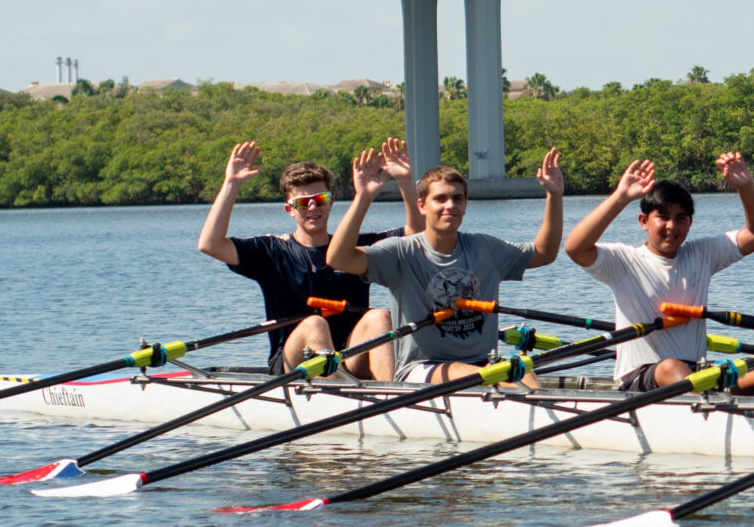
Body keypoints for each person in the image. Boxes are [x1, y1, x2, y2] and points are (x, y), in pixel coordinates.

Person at [328, 145, 566, 385]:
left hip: (482, 363)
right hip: (422, 368)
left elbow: (544, 253)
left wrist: (554, 196)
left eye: (457, 198)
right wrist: (363, 198)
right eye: (440, 199)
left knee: (524, 371)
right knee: (493, 377)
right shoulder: (400, 252)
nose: (450, 205)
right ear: (422, 206)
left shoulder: (485, 248)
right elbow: (338, 259)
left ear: (465, 205)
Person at [564, 151, 754, 397]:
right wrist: (620, 197)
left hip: (696, 372)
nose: (672, 226)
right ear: (643, 221)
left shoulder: (703, 253)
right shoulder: (623, 261)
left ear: (690, 223)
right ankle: (708, 418)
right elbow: (575, 247)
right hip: (641, 378)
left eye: (680, 218)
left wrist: (745, 187)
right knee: (671, 367)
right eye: (663, 217)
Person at [196, 139, 423, 380]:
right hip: (293, 362)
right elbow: (210, 245)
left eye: (320, 199)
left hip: (349, 357)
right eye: (303, 203)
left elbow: (416, 235)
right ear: (290, 210)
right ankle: (338, 393)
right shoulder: (272, 251)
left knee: (379, 317)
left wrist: (405, 182)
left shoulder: (353, 248)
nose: (313, 207)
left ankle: (390, 397)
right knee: (315, 324)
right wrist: (231, 184)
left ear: (331, 202)